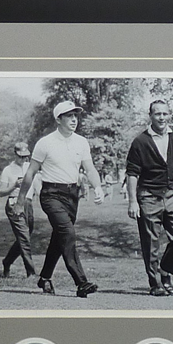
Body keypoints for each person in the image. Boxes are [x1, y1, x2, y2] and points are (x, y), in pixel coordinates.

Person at [14, 100, 105, 299]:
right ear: (58, 119)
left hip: (72, 195)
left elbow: (89, 169)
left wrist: (98, 187)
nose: (74, 120)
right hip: (51, 194)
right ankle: (81, 282)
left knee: (60, 238)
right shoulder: (45, 143)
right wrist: (20, 202)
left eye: (76, 116)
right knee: (68, 233)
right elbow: (30, 173)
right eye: (69, 116)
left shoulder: (81, 142)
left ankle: (45, 277)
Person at [126, 99, 173, 296]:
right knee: (151, 243)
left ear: (169, 115)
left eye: (165, 113)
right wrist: (133, 201)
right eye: (157, 114)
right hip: (148, 196)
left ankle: (165, 271)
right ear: (150, 116)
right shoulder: (140, 141)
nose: (162, 118)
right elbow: (132, 173)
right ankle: (155, 284)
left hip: (171, 194)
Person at [0, 142, 37, 278]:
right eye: (21, 156)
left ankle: (7, 261)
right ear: (15, 154)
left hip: (28, 203)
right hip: (14, 203)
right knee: (24, 237)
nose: (23, 159)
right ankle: (31, 272)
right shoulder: (8, 170)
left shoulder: (30, 167)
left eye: (25, 156)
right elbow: (1, 192)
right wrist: (14, 185)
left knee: (25, 237)